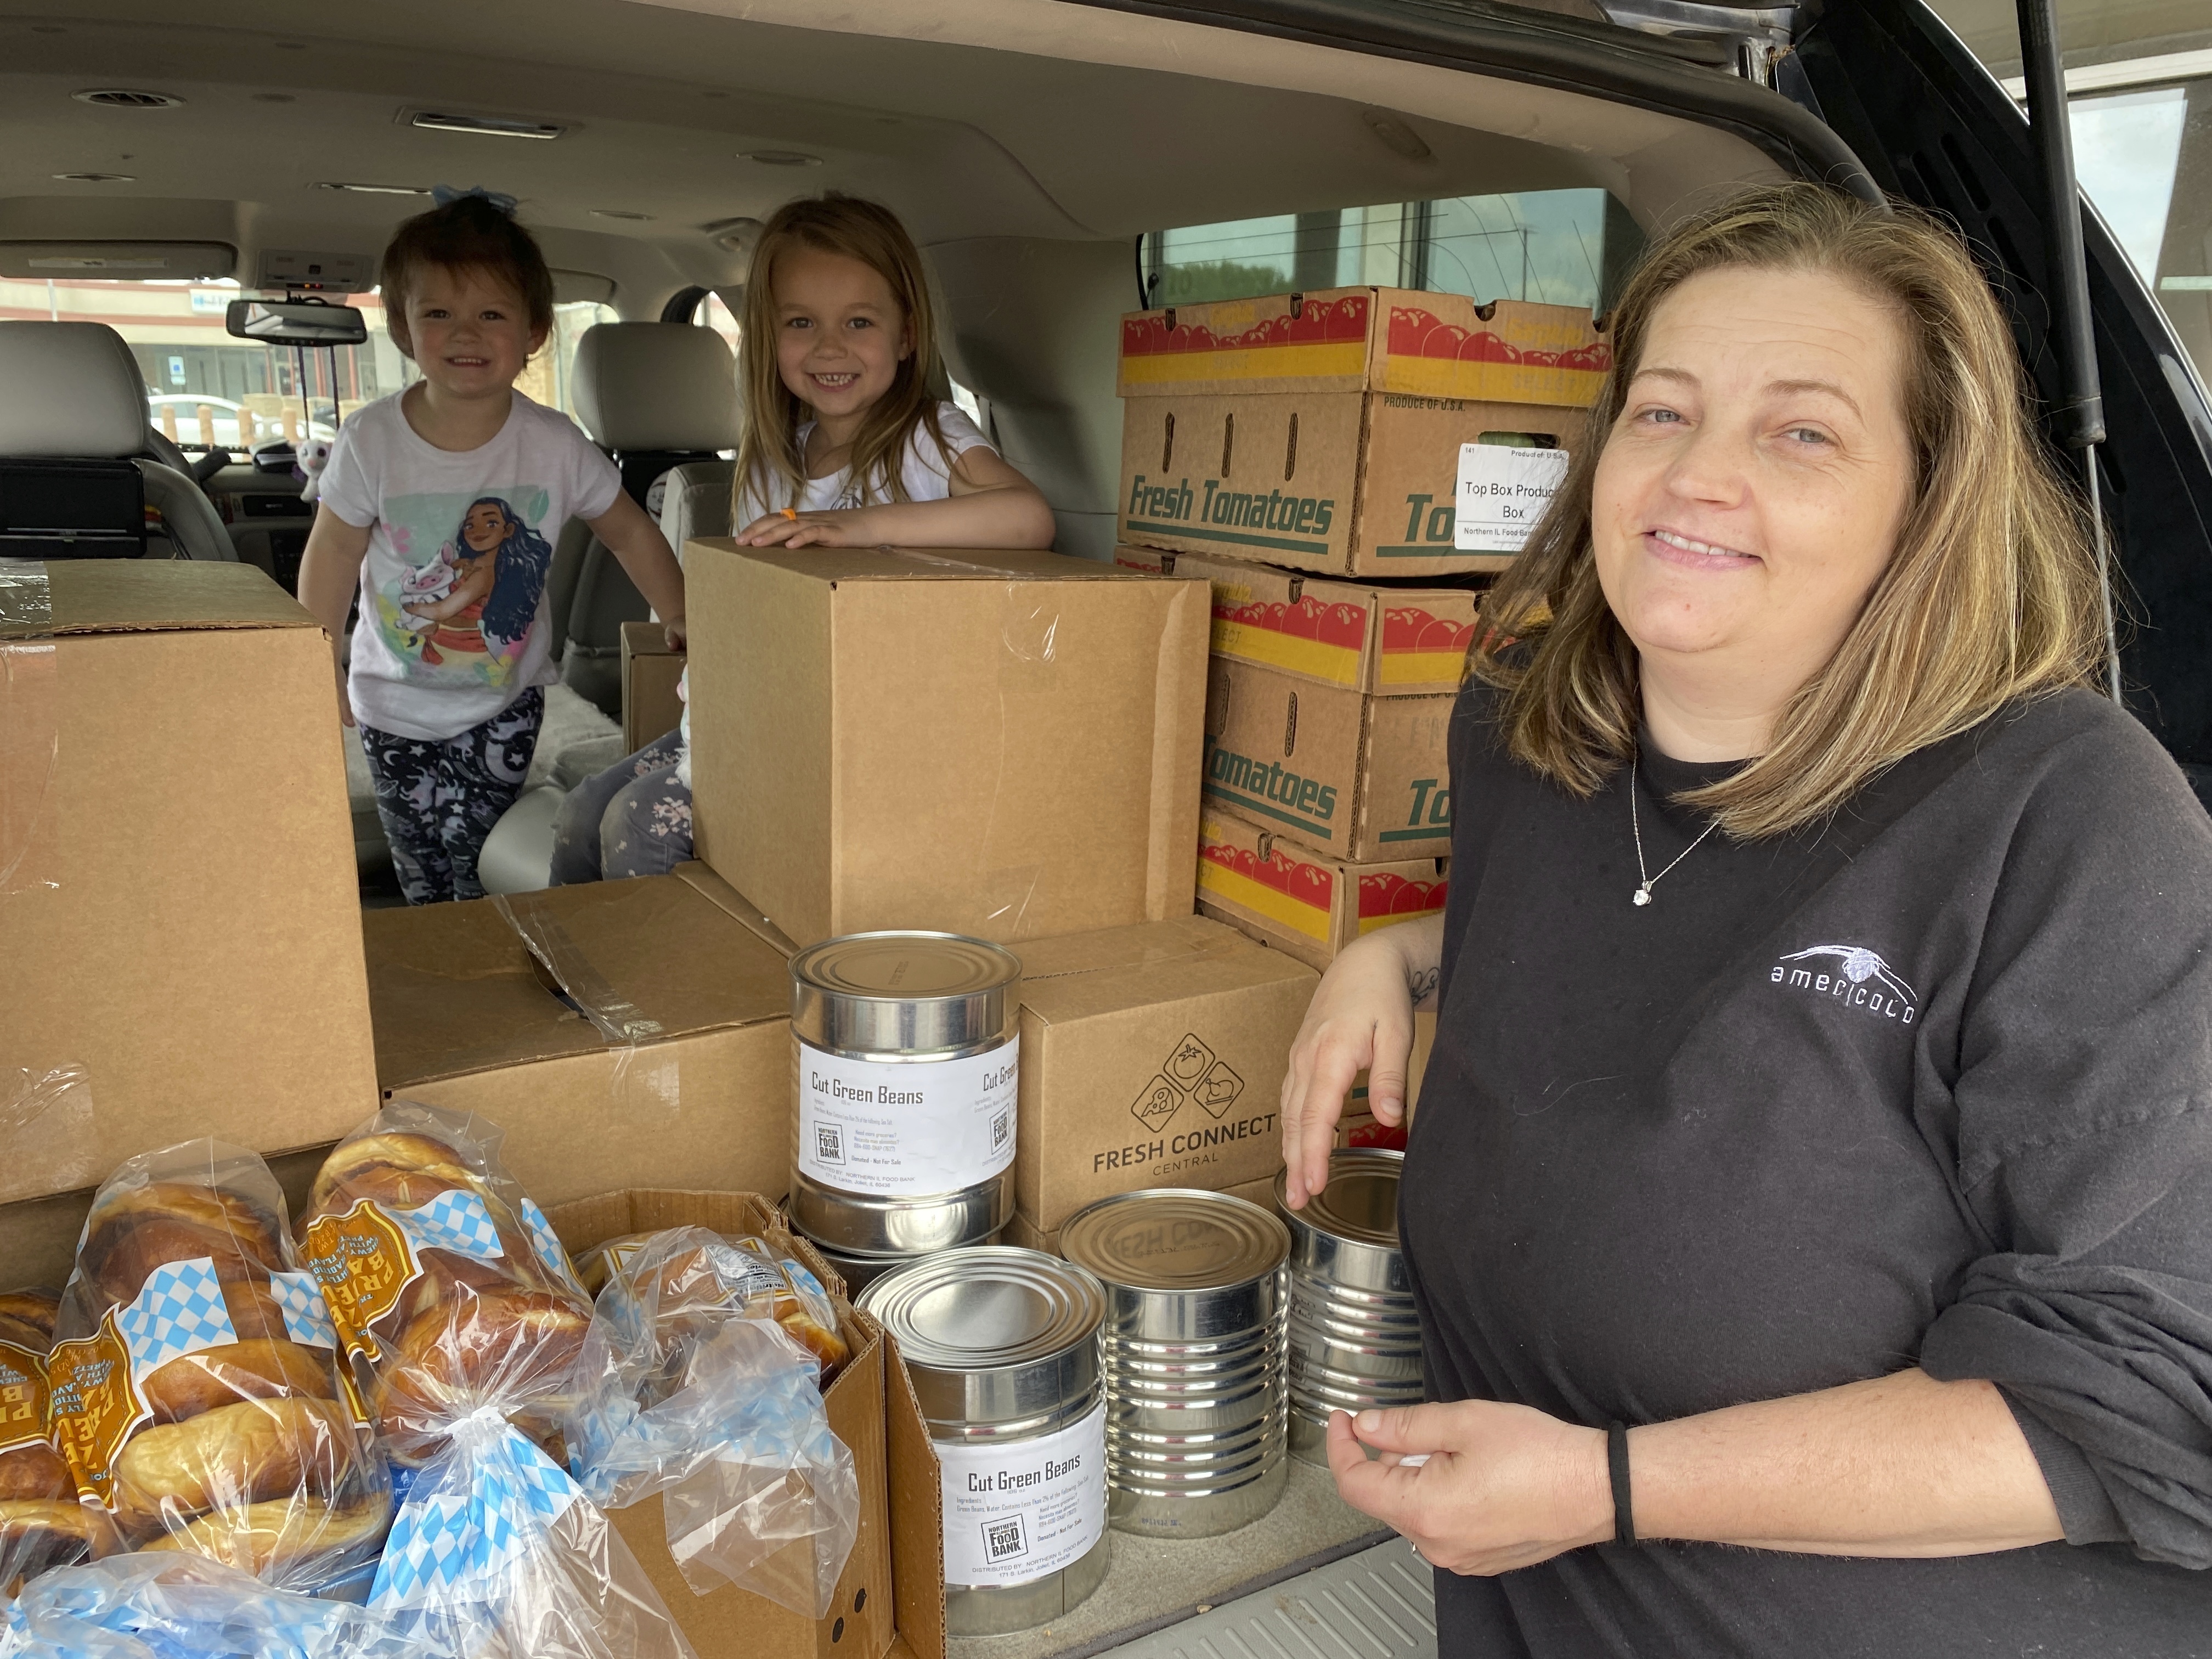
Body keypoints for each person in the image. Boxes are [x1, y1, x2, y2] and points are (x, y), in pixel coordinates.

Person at [1278, 181, 2212, 1655]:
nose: (1698, 476)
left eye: (1801, 432)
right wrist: (1390, 953)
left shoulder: (2071, 821)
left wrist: (1606, 1488)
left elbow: (2149, 1404)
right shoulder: (1531, 729)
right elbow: (1636, 947)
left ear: (1928, 494)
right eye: (1662, 413)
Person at [550, 192, 1053, 884]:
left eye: (858, 322)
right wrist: (708, 622)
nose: (830, 347)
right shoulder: (773, 457)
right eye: (800, 323)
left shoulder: (929, 439)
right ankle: (580, 982)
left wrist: (862, 527)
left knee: (638, 825)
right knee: (582, 812)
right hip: (740, 720)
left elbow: (1028, 518)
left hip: (847, 743)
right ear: (770, 337)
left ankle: (661, 988)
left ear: (906, 335)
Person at [299, 190, 687, 905]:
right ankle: (440, 962)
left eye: (491, 314)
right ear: (404, 329)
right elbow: (333, 552)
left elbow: (629, 529)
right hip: (391, 704)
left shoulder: (554, 445)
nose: (464, 333)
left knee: (478, 857)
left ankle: (479, 956)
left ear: (534, 330)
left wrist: (679, 610)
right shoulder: (372, 440)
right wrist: (314, 658)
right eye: (438, 312)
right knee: (421, 861)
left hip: (502, 705)